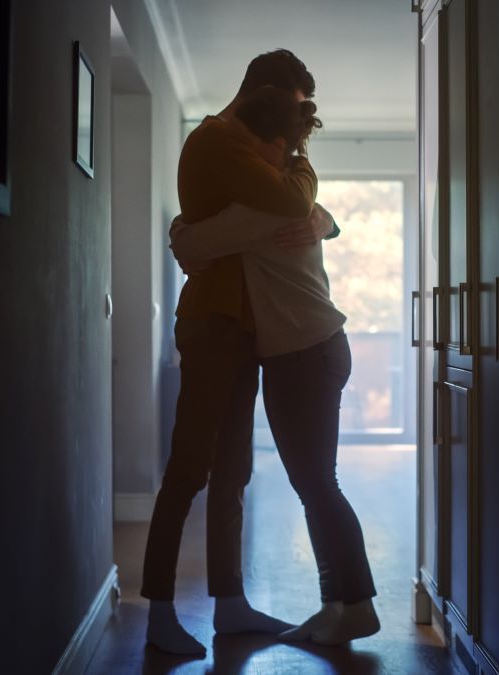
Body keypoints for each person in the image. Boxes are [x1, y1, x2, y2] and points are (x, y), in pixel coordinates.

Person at [140, 50, 339, 657]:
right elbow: (286, 206)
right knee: (189, 468)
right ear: (266, 96)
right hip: (214, 323)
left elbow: (285, 214)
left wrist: (323, 219)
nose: (292, 132)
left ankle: (229, 605)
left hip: (245, 325)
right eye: (293, 114)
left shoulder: (249, 147)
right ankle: (158, 612)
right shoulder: (218, 142)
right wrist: (308, 194)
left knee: (233, 469)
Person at [169, 87, 381, 646]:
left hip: (306, 354)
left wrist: (179, 230)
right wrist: (325, 220)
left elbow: (192, 245)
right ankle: (338, 605)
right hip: (310, 350)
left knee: (318, 484)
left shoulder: (266, 207)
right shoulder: (291, 197)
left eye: (254, 145)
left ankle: (356, 606)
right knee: (315, 483)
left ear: (272, 144)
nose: (246, 158)